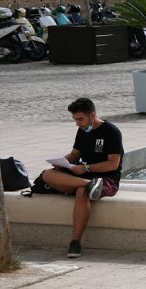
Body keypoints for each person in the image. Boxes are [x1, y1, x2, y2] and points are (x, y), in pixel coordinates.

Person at [40, 98, 124, 258]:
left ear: (92, 115)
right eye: (75, 119)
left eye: (80, 119)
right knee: (47, 174)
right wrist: (62, 163)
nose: (77, 123)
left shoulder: (111, 132)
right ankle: (89, 184)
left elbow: (113, 164)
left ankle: (75, 242)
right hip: (84, 176)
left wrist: (86, 168)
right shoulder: (82, 130)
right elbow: (74, 154)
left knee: (82, 191)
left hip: (107, 179)